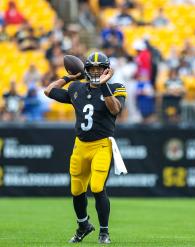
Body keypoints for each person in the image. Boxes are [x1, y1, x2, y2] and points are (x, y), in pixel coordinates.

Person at [44, 52, 127, 244]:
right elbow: (48, 91)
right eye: (92, 69)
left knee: (97, 187)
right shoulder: (76, 88)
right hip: (80, 146)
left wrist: (104, 84)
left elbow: (115, 109)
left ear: (107, 69)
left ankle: (104, 231)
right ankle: (83, 226)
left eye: (100, 68)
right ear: (86, 70)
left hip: (101, 145)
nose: (96, 72)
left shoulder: (116, 87)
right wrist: (69, 77)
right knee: (76, 189)